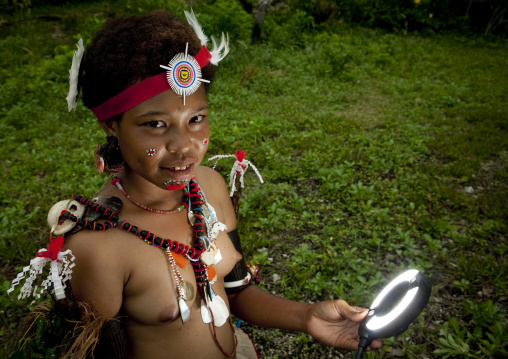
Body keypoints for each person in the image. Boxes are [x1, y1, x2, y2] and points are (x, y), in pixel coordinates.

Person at [9, 9, 382, 358]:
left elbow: (237, 292)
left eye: (196, 118)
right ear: (110, 125)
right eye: (155, 124)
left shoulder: (211, 187)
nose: (184, 147)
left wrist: (307, 318)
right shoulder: (97, 248)